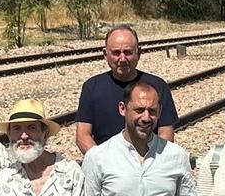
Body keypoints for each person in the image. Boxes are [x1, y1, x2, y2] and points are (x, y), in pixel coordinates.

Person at [76, 24, 179, 154]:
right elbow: (83, 136)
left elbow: (166, 133)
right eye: (116, 53)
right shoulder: (92, 87)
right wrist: (101, 162)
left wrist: (148, 161)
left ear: (139, 53)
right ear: (105, 54)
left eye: (128, 52)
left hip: (148, 161)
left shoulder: (157, 87)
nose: (122, 59)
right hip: (106, 165)